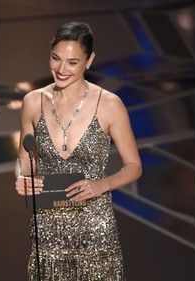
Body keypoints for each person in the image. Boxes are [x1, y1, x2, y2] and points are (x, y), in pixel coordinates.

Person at [15, 21, 142, 280]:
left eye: (72, 62)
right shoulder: (32, 102)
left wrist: (101, 184)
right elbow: (25, 158)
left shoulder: (109, 105)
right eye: (56, 59)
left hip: (95, 230)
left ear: (89, 60)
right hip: (47, 231)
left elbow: (134, 167)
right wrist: (21, 177)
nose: (61, 69)